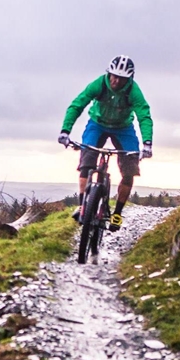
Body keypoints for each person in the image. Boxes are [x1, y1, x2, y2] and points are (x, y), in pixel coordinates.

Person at [58, 55, 153, 231]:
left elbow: (144, 115)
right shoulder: (99, 84)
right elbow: (77, 105)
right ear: (108, 73)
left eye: (121, 78)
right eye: (113, 76)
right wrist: (65, 131)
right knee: (86, 162)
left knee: (129, 170)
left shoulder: (133, 91)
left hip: (123, 128)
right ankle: (83, 206)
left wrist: (147, 143)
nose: (116, 81)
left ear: (129, 79)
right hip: (97, 124)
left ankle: (117, 213)